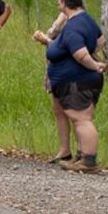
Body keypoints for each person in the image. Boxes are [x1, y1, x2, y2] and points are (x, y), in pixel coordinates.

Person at [33, 0, 106, 173]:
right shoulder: (87, 20)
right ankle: (81, 156)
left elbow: (80, 54)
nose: (58, 3)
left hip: (77, 81)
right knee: (80, 118)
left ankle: (89, 160)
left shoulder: (73, 27)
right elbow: (100, 40)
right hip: (78, 79)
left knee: (82, 118)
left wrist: (93, 64)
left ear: (64, 2)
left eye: (59, 1)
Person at [40, 11, 75, 164]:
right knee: (58, 109)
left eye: (60, 0)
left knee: (74, 111)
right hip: (55, 69)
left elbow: (61, 43)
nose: (58, 3)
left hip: (67, 69)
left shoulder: (74, 21)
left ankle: (83, 151)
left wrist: (45, 38)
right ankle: (64, 150)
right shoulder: (63, 16)